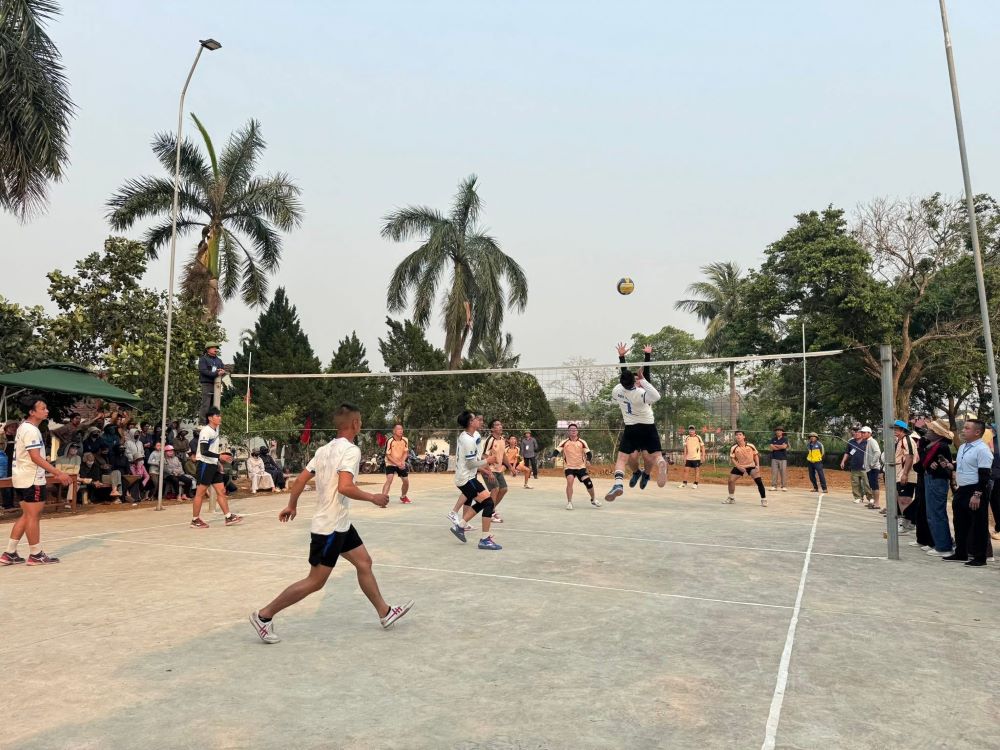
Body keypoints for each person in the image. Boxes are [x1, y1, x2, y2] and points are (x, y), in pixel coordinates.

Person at [249, 403, 413, 643]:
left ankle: (385, 612)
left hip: (341, 524)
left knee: (364, 562)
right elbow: (345, 486)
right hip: (329, 528)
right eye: (361, 421)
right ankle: (264, 616)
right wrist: (373, 497)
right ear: (355, 424)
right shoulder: (351, 451)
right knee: (315, 581)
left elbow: (300, 480)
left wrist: (292, 504)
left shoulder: (323, 450)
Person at [1, 399, 72, 566]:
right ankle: (35, 554)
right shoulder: (31, 430)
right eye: (43, 408)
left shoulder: (23, 427)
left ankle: (9, 553)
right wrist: (58, 473)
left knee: (27, 515)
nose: (46, 411)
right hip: (31, 478)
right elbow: (35, 457)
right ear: (32, 412)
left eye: (46, 408)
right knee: (34, 516)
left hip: (21, 477)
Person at [605, 343, 668, 501]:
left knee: (640, 458)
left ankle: (633, 478)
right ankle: (648, 468)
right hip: (647, 426)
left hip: (632, 428)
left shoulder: (617, 390)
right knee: (638, 457)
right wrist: (644, 364)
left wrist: (622, 357)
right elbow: (650, 388)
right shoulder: (642, 393)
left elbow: (627, 375)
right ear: (635, 382)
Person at [447, 410, 502, 550]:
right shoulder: (468, 440)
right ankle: (484, 539)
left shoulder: (469, 436)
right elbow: (471, 464)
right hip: (466, 479)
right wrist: (487, 461)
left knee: (485, 502)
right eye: (476, 419)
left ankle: (460, 526)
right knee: (488, 503)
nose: (479, 420)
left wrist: (484, 469)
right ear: (471, 422)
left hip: (468, 476)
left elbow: (470, 462)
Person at [942, 418, 993, 566]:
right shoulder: (964, 447)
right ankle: (961, 552)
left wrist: (977, 495)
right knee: (960, 523)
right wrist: (951, 466)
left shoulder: (982, 449)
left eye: (967, 428)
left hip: (975, 489)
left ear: (977, 432)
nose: (963, 431)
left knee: (978, 525)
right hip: (962, 489)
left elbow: (984, 475)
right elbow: (965, 466)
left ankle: (980, 557)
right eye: (964, 428)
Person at [190, 407, 242, 528]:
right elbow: (203, 451)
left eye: (220, 415)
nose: (219, 418)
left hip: (213, 464)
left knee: (221, 491)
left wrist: (217, 462)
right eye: (217, 416)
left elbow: (212, 449)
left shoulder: (216, 429)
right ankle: (195, 520)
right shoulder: (206, 431)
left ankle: (228, 517)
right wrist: (220, 457)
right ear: (210, 418)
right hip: (204, 464)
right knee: (200, 493)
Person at [921, 419, 955, 557]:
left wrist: (932, 466)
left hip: (937, 481)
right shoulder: (932, 445)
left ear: (938, 433)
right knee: (932, 513)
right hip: (931, 479)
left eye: (932, 430)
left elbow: (944, 467)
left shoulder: (941, 446)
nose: (928, 431)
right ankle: (939, 542)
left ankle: (944, 546)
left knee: (937, 513)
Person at [553, 423, 599, 509]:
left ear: (577, 431)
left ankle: (593, 499)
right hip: (569, 467)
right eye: (571, 429)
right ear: (568, 431)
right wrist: (553, 456)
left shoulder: (582, 442)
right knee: (570, 481)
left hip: (581, 467)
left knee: (588, 483)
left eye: (575, 429)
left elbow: (589, 453)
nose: (573, 430)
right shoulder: (564, 442)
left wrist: (588, 460)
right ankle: (569, 502)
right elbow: (557, 450)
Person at [892, 419, 921, 538]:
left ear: (902, 430)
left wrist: (905, 474)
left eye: (896, 429)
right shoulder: (900, 441)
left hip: (907, 474)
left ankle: (907, 524)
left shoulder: (907, 440)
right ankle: (908, 523)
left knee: (905, 499)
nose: (894, 431)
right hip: (900, 473)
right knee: (901, 498)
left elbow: (910, 456)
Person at [723, 430, 767, 506]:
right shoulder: (734, 447)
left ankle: (764, 499)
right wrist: (738, 467)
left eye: (740, 434)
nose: (738, 436)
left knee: (759, 481)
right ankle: (731, 498)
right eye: (736, 435)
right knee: (730, 480)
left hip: (751, 466)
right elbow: (732, 458)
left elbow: (755, 455)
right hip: (740, 466)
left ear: (744, 436)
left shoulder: (750, 445)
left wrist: (757, 466)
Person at [481, 419, 511, 522]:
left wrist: (511, 467)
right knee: (495, 489)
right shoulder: (490, 440)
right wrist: (489, 472)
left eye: (500, 424)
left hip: (498, 470)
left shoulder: (502, 439)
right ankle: (490, 514)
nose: (500, 426)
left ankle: (490, 509)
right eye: (497, 425)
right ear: (492, 429)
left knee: (504, 489)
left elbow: (503, 455)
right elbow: (483, 456)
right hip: (488, 469)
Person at [841, 427, 873, 506]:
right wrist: (843, 461)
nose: (855, 434)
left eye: (857, 432)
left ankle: (870, 498)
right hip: (854, 466)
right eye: (854, 432)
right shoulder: (851, 442)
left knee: (867, 483)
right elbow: (847, 453)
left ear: (862, 433)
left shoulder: (867, 442)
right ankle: (858, 497)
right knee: (855, 483)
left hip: (865, 467)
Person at [381, 424, 411, 504]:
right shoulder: (390, 440)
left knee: (406, 481)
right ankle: (382, 499)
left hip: (400, 463)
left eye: (402, 429)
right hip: (390, 463)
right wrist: (397, 463)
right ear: (394, 431)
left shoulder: (405, 440)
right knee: (389, 479)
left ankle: (403, 497)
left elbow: (406, 452)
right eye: (398, 429)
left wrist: (403, 461)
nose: (401, 430)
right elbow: (387, 455)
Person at [198, 343, 226, 423]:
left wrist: (222, 371)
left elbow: (223, 369)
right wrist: (216, 373)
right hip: (207, 384)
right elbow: (203, 371)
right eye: (213, 348)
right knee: (206, 404)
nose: (215, 349)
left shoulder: (218, 360)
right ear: (208, 349)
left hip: (217, 384)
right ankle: (203, 422)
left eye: (216, 348)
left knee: (214, 405)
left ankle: (211, 421)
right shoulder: (203, 359)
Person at [859, 426, 883, 510]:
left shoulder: (872, 441)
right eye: (862, 432)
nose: (862, 434)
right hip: (870, 468)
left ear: (869, 433)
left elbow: (878, 452)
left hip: (873, 468)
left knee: (875, 485)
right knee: (872, 486)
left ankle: (877, 503)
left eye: (864, 432)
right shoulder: (868, 442)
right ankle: (873, 502)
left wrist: (872, 463)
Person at [678, 425, 705, 489]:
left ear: (694, 430)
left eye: (692, 430)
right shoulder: (687, 437)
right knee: (686, 470)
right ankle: (684, 483)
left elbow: (703, 447)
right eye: (690, 430)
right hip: (688, 457)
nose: (691, 431)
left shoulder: (698, 437)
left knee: (697, 470)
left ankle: (696, 483)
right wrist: (684, 456)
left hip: (696, 457)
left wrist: (703, 456)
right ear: (689, 431)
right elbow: (685, 448)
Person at [769, 427, 789, 491]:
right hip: (774, 458)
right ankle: (774, 486)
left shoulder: (785, 439)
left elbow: (784, 446)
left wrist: (776, 445)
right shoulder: (773, 439)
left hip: (783, 458)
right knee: (774, 472)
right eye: (777, 430)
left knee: (783, 472)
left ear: (782, 432)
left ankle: (784, 486)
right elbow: (772, 447)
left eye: (780, 431)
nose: (778, 432)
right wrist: (780, 446)